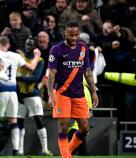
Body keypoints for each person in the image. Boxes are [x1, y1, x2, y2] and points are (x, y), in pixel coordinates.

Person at [47, 21, 99, 158]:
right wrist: (50, 93)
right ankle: (66, 156)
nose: (74, 37)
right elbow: (51, 72)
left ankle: (67, 152)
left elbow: (87, 71)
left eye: (76, 34)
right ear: (65, 33)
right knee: (63, 126)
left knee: (85, 128)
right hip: (62, 93)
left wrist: (93, 91)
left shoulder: (83, 48)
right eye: (71, 35)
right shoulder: (56, 49)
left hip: (79, 94)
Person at [0, 36, 41, 155]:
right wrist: (37, 56)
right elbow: (31, 68)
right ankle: (16, 150)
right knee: (13, 121)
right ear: (9, 45)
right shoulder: (16, 56)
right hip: (12, 92)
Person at [16, 37, 53, 156]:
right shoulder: (19, 57)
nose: (28, 46)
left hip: (33, 94)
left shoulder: (40, 60)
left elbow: (35, 79)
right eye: (27, 44)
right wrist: (17, 92)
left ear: (35, 47)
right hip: (20, 94)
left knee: (38, 120)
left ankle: (45, 149)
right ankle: (20, 150)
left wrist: (17, 78)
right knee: (19, 121)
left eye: (31, 45)